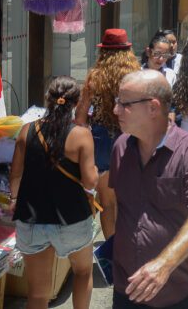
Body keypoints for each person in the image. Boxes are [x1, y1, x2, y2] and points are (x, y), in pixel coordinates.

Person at [110, 71, 188, 308]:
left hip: (177, 294)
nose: (116, 110)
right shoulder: (121, 147)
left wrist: (164, 264)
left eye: (124, 104)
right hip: (127, 289)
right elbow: (116, 204)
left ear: (153, 107)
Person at [10, 77, 98, 309]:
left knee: (38, 294)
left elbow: (16, 174)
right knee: (82, 272)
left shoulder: (26, 131)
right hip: (72, 218)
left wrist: (13, 199)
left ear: (48, 100)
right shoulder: (81, 135)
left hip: (31, 218)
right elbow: (90, 180)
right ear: (76, 103)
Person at [75, 29, 141, 239]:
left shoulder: (95, 77)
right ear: (127, 51)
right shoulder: (136, 76)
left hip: (101, 141)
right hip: (130, 138)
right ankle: (128, 247)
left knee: (107, 203)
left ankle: (112, 251)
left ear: (103, 52)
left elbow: (80, 117)